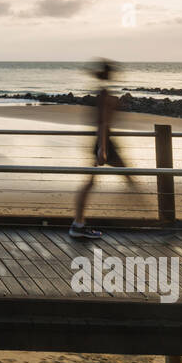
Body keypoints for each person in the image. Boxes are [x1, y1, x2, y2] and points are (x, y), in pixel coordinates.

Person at [71, 59, 139, 239]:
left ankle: (78, 224)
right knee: (128, 178)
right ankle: (155, 220)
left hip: (104, 142)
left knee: (94, 182)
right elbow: (102, 122)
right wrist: (102, 148)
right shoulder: (104, 94)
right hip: (105, 142)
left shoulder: (102, 93)